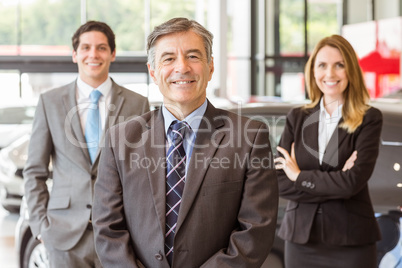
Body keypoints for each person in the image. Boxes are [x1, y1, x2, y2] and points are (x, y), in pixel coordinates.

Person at [93, 17, 278, 267]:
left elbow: (255, 231)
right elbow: (107, 229)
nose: (182, 67)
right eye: (168, 58)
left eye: (193, 56)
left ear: (211, 67)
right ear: (153, 71)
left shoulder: (250, 137)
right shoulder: (120, 140)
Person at [23, 20, 150, 267]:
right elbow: (34, 171)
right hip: (63, 234)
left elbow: (145, 173)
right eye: (86, 47)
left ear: (112, 54)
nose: (93, 54)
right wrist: (40, 226)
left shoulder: (138, 104)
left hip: (120, 234)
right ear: (75, 54)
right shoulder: (50, 102)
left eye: (102, 48)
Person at [274, 34, 383, 268]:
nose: (330, 74)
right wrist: (337, 183)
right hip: (301, 241)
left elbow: (353, 182)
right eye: (322, 65)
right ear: (313, 71)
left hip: (351, 241)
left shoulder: (368, 118)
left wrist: (300, 176)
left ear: (350, 70)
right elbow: (281, 181)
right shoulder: (298, 118)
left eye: (339, 65)